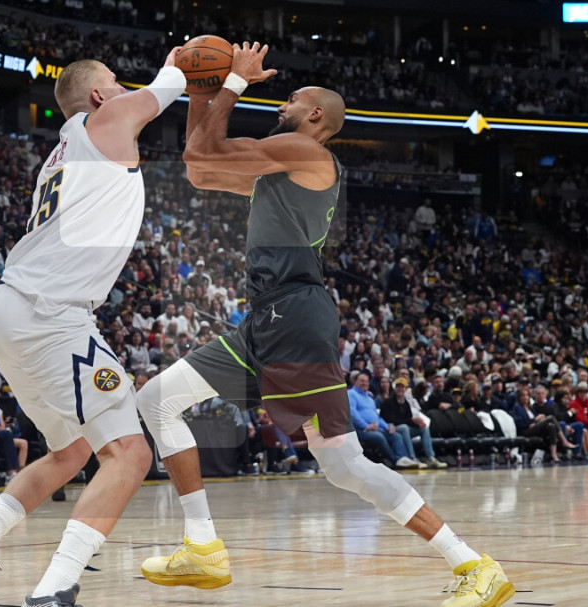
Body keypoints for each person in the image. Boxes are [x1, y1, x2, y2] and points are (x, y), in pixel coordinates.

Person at [135, 42, 513, 607]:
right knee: (157, 400)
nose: (281, 103)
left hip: (294, 316)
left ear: (315, 115)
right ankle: (202, 548)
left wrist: (231, 84)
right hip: (266, 318)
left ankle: (475, 565)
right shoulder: (279, 170)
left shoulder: (307, 151)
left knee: (345, 464)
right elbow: (199, 166)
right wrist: (198, 92)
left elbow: (206, 148)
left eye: (291, 98)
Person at [0, 49, 187, 607]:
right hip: (52, 315)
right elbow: (166, 90)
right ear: (98, 96)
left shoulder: (63, 152)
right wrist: (186, 63)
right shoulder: (105, 120)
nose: (123, 89)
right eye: (116, 82)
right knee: (131, 453)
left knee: (70, 452)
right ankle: (54, 590)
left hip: (9, 310)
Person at [381, 376, 447, 468]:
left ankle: (430, 457)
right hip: (392, 428)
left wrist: (418, 423)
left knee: (424, 429)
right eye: (398, 386)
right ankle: (412, 457)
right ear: (395, 388)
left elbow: (408, 419)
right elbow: (391, 420)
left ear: (406, 389)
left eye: (402, 387)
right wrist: (411, 420)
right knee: (404, 427)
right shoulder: (388, 402)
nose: (400, 389)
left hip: (403, 427)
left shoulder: (406, 403)